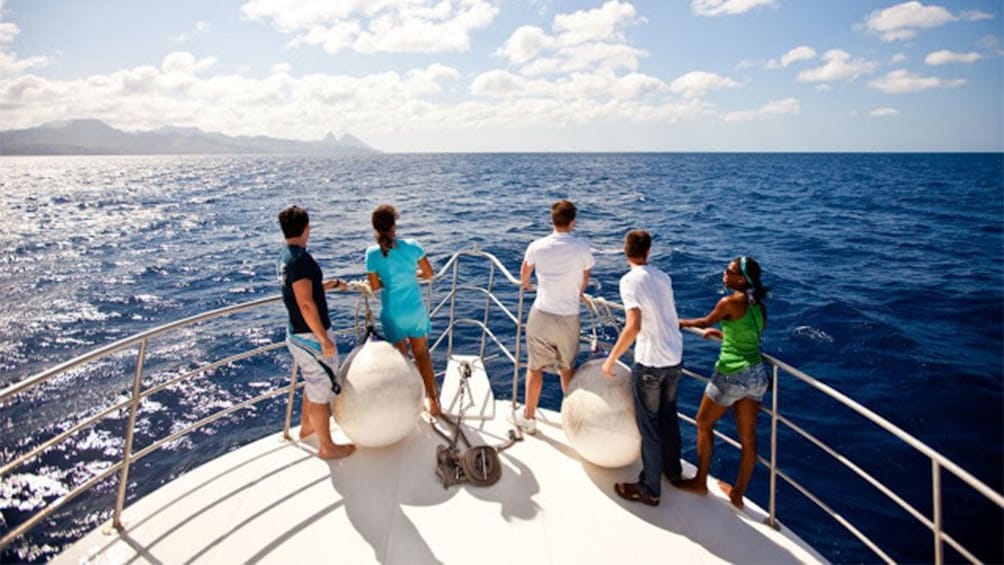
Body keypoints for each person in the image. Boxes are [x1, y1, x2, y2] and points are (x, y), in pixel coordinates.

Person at [676, 256, 770, 510]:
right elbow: (751, 335)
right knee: (748, 440)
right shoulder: (758, 305)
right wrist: (724, 335)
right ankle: (738, 494)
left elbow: (704, 321)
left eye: (728, 272)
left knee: (703, 423)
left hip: (732, 374)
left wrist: (678, 322)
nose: (724, 274)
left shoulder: (728, 302)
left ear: (741, 279)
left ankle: (699, 482)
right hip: (757, 376)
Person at [602, 230, 684, 506]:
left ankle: (650, 488)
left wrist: (612, 358)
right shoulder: (664, 277)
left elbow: (634, 325)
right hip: (675, 356)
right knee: (669, 416)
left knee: (648, 424)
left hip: (651, 362)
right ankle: (673, 471)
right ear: (648, 251)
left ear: (625, 251)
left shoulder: (628, 281)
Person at [277, 205, 356, 460]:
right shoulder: (301, 259)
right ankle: (327, 447)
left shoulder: (286, 257)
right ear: (306, 228)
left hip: (297, 335)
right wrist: (323, 337)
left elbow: (303, 289)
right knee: (322, 389)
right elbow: (305, 303)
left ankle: (307, 429)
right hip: (310, 337)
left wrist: (331, 284)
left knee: (313, 384)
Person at [515, 199, 594, 435]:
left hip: (541, 315)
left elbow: (524, 275)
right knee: (567, 369)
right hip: (568, 317)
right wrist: (576, 292)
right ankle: (572, 423)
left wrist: (528, 284)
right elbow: (585, 279)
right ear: (572, 222)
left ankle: (528, 418)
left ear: (552, 220)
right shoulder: (582, 247)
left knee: (535, 368)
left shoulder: (536, 246)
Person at [366, 204, 442, 416]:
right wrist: (411, 275)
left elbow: (374, 286)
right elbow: (428, 273)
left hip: (393, 313)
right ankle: (433, 402)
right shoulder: (412, 246)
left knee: (401, 360)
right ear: (394, 227)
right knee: (422, 355)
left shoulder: (372, 254)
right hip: (415, 311)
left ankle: (408, 405)